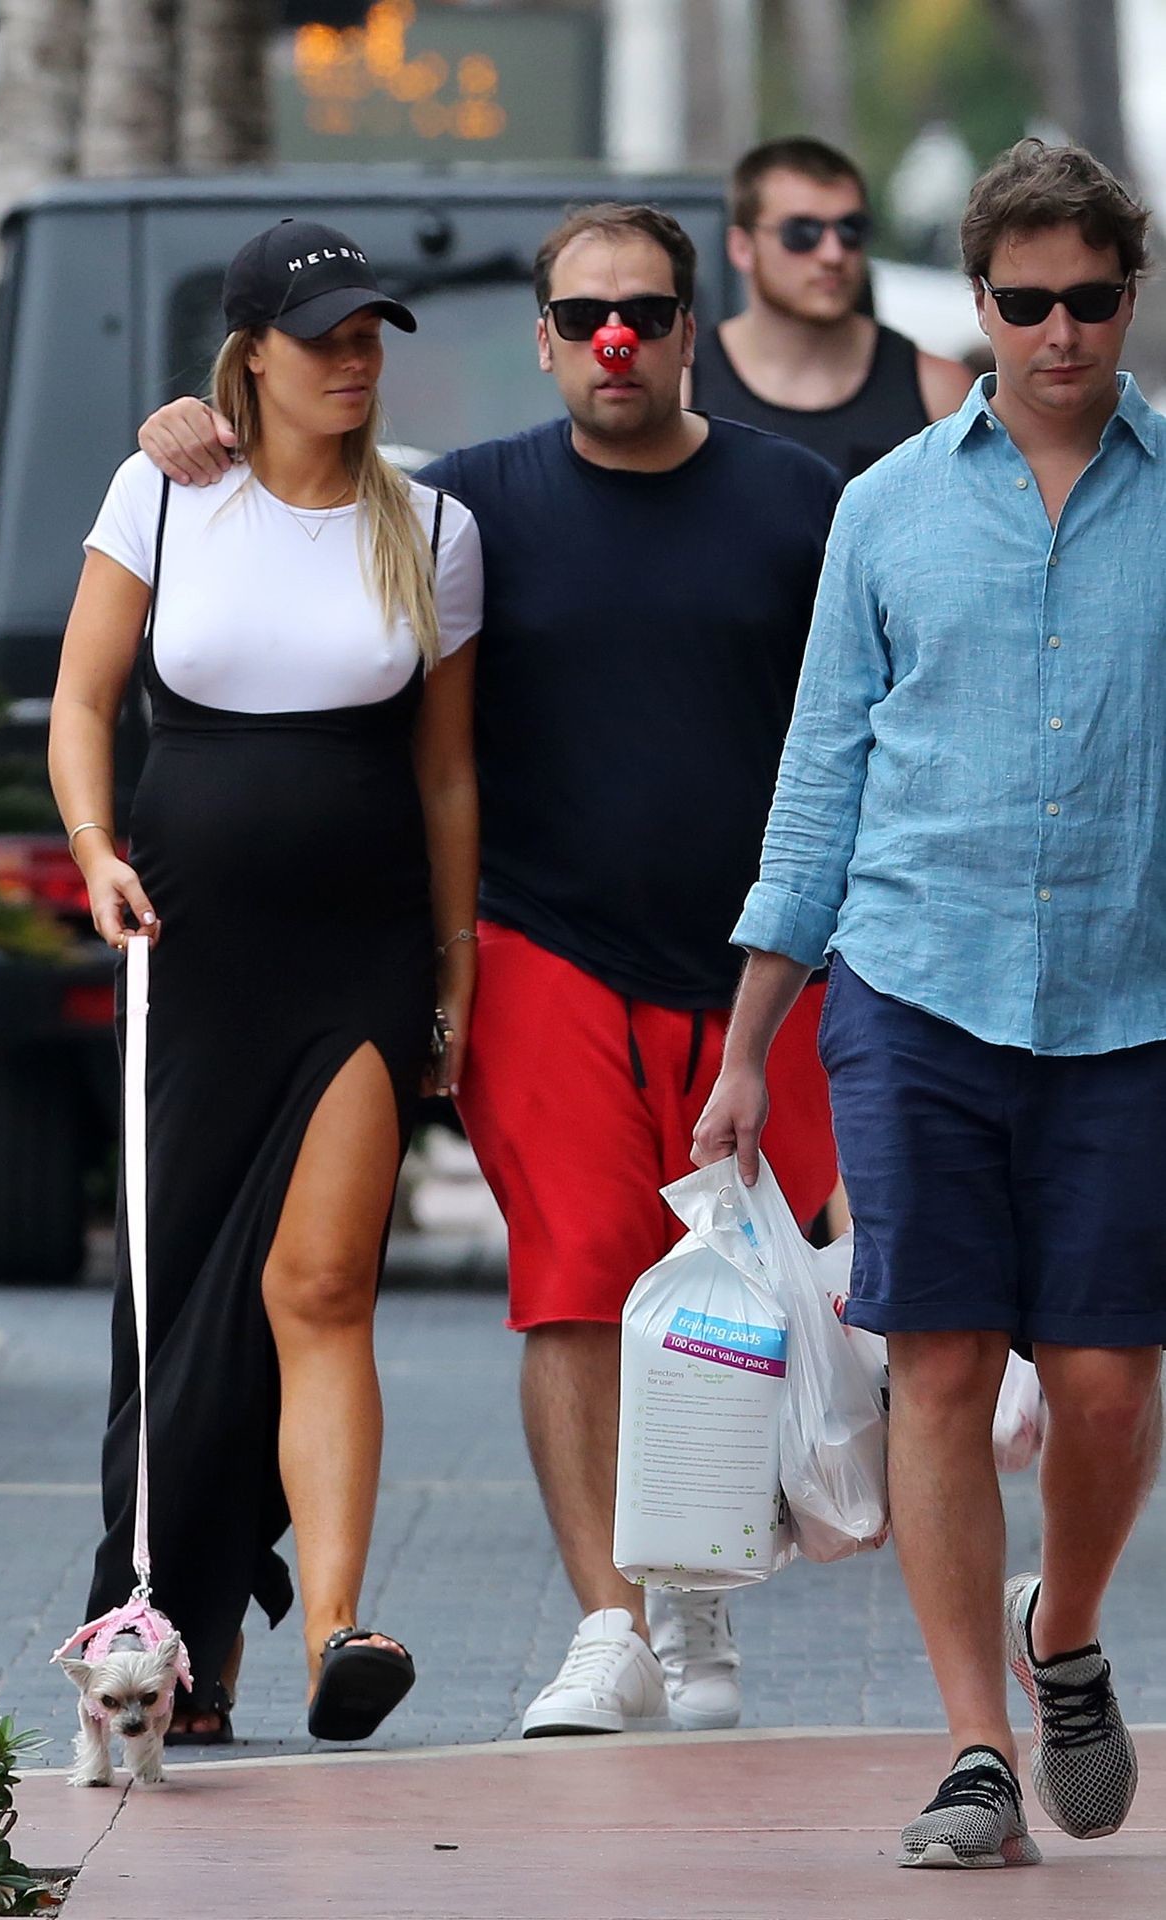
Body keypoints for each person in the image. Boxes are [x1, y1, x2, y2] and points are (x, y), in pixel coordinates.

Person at [135, 201, 839, 1741]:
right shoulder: (465, 507)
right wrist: (194, 427)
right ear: (541, 339)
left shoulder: (800, 502)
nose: (613, 339)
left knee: (748, 1302)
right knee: (573, 1281)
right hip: (546, 950)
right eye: (583, 315)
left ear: (691, 331)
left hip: (760, 970)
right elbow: (309, 535)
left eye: (644, 313)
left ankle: (695, 1588)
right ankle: (609, 1624)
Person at [695, 138, 1162, 1868]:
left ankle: (1064, 1634)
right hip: (911, 988)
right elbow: (819, 778)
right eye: (1024, 303)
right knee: (944, 1365)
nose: (1058, 333)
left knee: (1106, 1385)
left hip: (1131, 1000)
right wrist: (749, 1045)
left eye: (1089, 299)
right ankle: (975, 1749)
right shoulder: (884, 507)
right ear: (976, 304)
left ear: (1130, 297)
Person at [49, 219, 483, 1744]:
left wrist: (453, 974)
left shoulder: (433, 526)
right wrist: (92, 852)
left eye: (370, 337)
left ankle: (341, 1632)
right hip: (191, 955)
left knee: (321, 1286)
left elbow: (446, 777)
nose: (354, 361)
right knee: (176, 1305)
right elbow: (83, 703)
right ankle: (180, 1629)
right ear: (251, 355)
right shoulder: (162, 494)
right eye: (325, 339)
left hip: (361, 956)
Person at [695, 136, 972, 478]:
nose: (832, 254)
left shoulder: (939, 391)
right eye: (801, 232)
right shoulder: (682, 388)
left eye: (850, 229)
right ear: (742, 248)